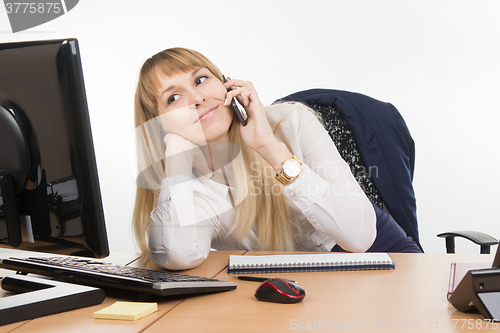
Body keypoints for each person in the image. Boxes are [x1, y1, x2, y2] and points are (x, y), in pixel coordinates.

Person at [132, 47, 421, 270]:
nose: (196, 98)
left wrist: (269, 147)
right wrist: (175, 164)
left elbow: (360, 237)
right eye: (173, 98)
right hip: (302, 286)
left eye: (201, 79)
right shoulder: (190, 189)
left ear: (226, 84)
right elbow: (177, 254)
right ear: (156, 124)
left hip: (383, 258)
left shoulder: (291, 122)